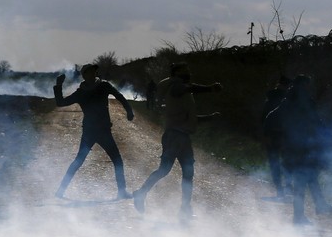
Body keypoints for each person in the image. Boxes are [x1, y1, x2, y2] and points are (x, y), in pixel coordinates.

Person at [133, 62, 222, 222]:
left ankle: (185, 209)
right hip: (174, 137)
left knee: (188, 173)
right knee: (164, 170)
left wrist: (210, 117)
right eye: (183, 70)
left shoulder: (184, 92)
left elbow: (188, 119)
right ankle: (141, 193)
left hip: (183, 137)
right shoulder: (175, 88)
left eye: (188, 70)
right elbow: (187, 88)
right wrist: (209, 88)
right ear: (175, 74)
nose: (187, 72)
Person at [53, 63, 134, 200]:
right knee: (79, 161)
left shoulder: (103, 86)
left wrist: (129, 110)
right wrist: (58, 85)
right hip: (91, 132)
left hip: (102, 131)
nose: (93, 73)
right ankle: (60, 191)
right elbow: (60, 103)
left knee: (117, 160)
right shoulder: (81, 92)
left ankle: (122, 191)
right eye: (89, 72)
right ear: (84, 75)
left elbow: (119, 96)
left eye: (94, 71)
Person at [263, 74, 332, 225]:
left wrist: (328, 137)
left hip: (304, 147)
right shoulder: (292, 104)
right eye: (305, 86)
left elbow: (317, 122)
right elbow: (270, 119)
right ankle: (299, 216)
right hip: (296, 148)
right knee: (302, 181)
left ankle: (317, 206)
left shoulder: (293, 102)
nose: (307, 89)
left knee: (310, 177)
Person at [260, 75, 292, 199]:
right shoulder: (288, 99)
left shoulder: (270, 98)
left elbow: (263, 119)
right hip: (284, 135)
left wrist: (264, 135)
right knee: (287, 163)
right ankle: (287, 189)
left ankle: (280, 190)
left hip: (273, 134)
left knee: (275, 163)